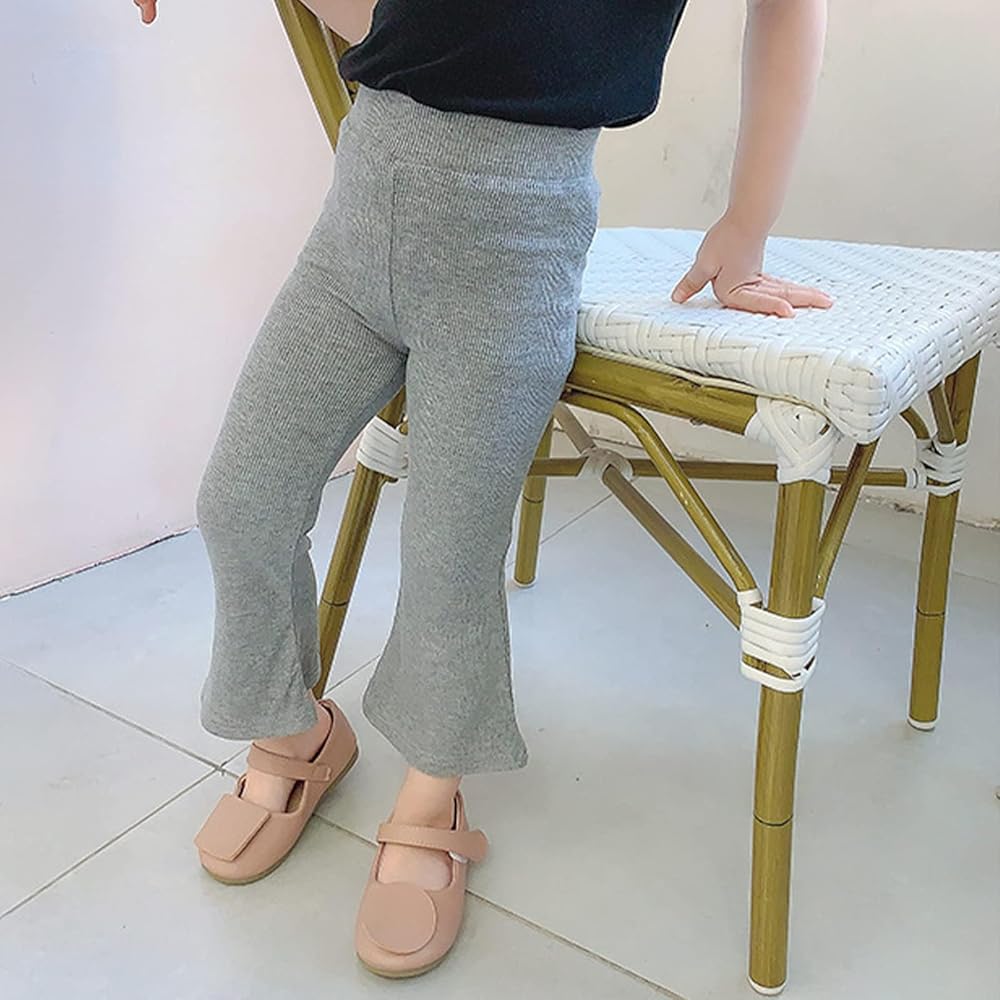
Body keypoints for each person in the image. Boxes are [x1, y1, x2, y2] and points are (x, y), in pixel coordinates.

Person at [134, 0, 832, 979]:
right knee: (240, 499)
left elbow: (790, 10)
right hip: (358, 210)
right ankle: (295, 731)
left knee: (450, 556)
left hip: (514, 237)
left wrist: (747, 223)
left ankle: (432, 793)